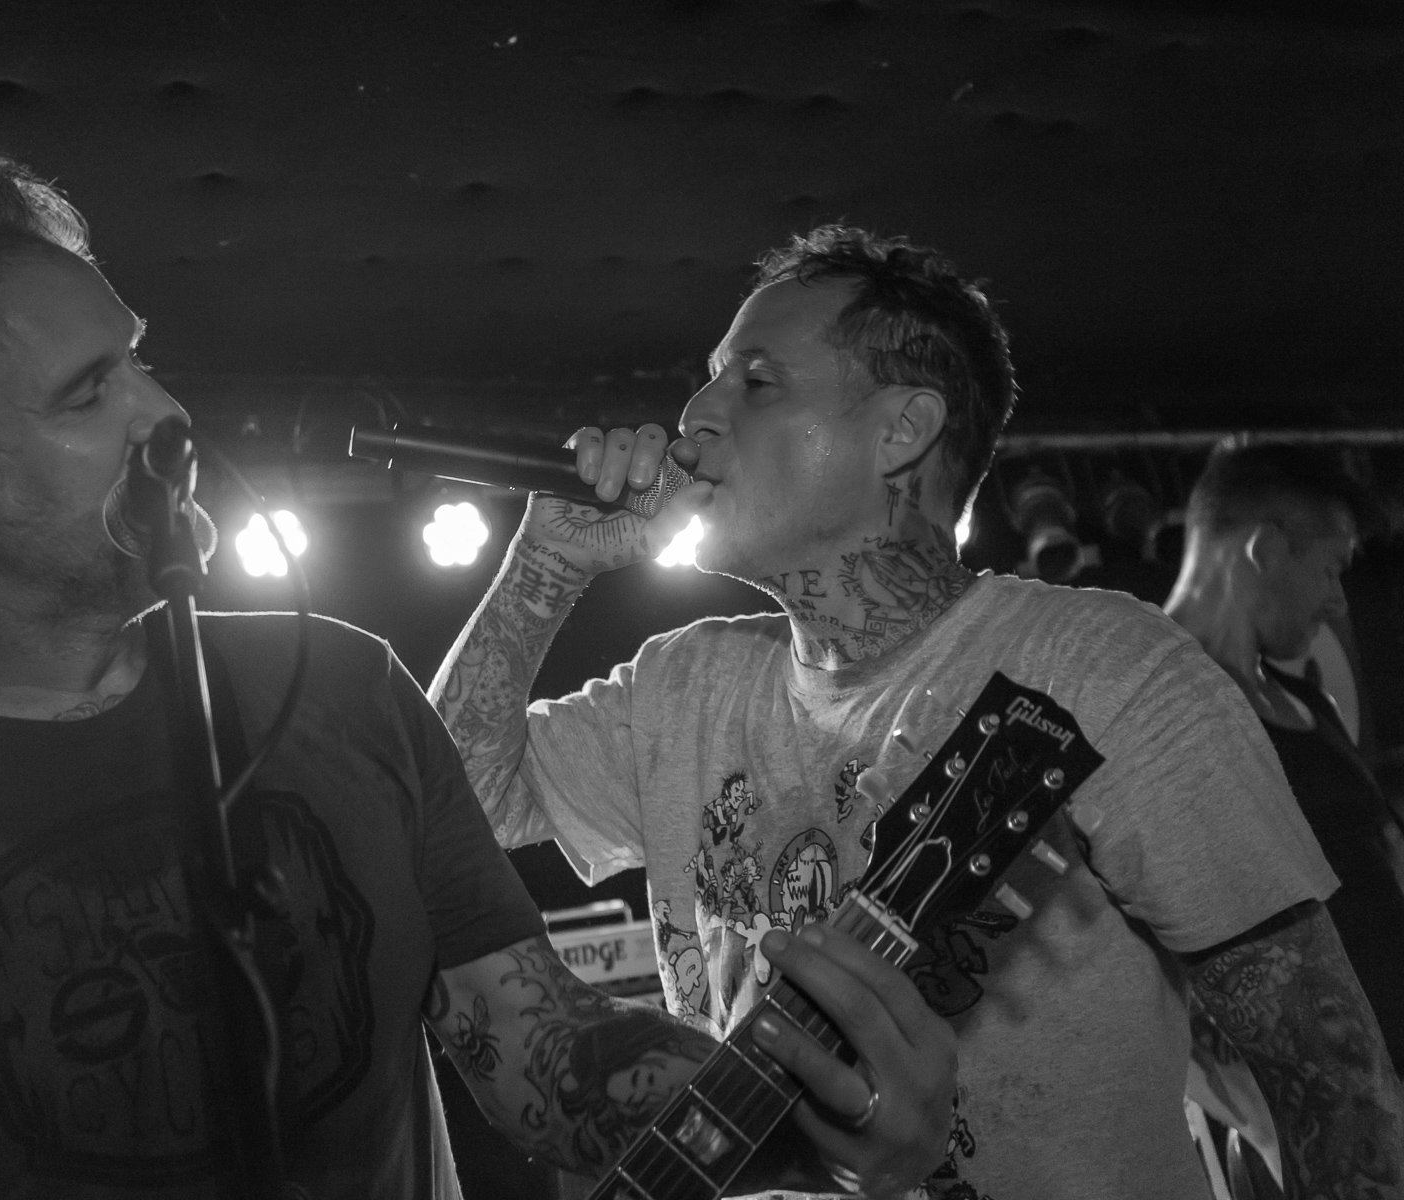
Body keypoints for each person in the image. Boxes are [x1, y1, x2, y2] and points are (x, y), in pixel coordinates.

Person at [0, 159, 957, 1199]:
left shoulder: (342, 696)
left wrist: (803, 1126)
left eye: (139, 359)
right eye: (88, 394)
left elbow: (545, 1062)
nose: (162, 413)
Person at [431, 225, 1404, 1199]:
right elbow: (446, 820)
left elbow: (1333, 1081)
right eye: (711, 377)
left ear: (903, 430)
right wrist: (544, 567)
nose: (695, 413)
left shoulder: (1107, 670)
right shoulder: (682, 682)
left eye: (756, 382)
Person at [1165, 441, 1404, 1192]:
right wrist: (1264, 1119)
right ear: (1266, 549)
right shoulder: (1153, 708)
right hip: (1314, 1131)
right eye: (1332, 568)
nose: (1339, 600)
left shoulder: (1305, 701)